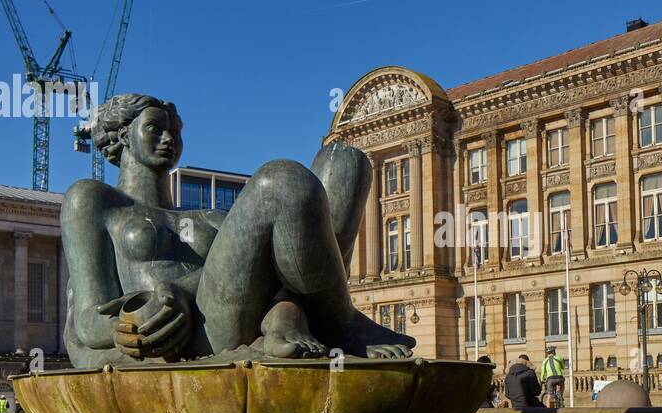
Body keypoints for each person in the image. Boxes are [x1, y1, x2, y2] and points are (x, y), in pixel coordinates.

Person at [62, 93, 413, 367]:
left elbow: (267, 268)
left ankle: (293, 317)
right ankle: (340, 322)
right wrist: (129, 328)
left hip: (241, 306)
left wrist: (277, 308)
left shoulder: (208, 214)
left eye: (175, 131)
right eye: (155, 128)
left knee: (345, 162)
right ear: (124, 135)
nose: (169, 138)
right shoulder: (94, 200)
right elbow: (88, 323)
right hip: (190, 331)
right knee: (282, 181)